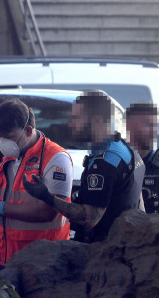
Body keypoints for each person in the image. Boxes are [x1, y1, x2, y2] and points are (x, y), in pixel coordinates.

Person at [24, 90, 145, 243]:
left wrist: (48, 197)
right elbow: (138, 205)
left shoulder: (105, 162)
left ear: (96, 120)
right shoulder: (125, 149)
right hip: (126, 246)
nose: (70, 124)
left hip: (106, 254)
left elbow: (90, 218)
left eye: (76, 118)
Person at [0, 99, 73, 273]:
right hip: (0, 256)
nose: (4, 142)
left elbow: (49, 211)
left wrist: (2, 208)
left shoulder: (56, 158)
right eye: (1, 137)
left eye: (10, 137)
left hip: (41, 262)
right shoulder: (0, 150)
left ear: (28, 131)